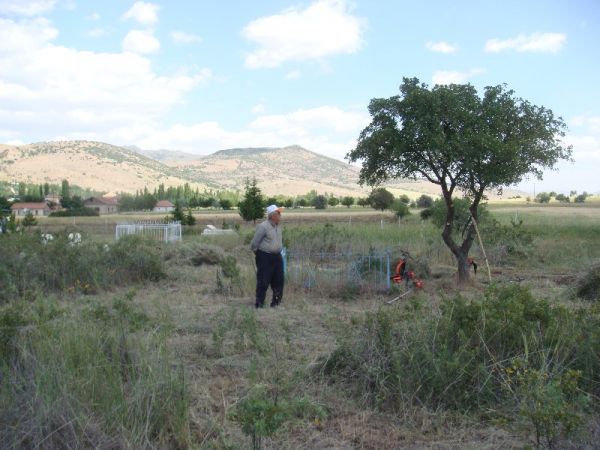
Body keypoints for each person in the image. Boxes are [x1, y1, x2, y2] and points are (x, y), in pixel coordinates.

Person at [250, 204, 284, 308]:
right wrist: (260, 255)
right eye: (278, 213)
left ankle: (276, 304)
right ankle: (259, 305)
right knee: (263, 281)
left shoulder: (278, 226)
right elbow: (254, 244)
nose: (280, 215)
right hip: (265, 257)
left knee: (279, 281)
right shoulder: (263, 226)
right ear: (272, 215)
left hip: (277, 257)